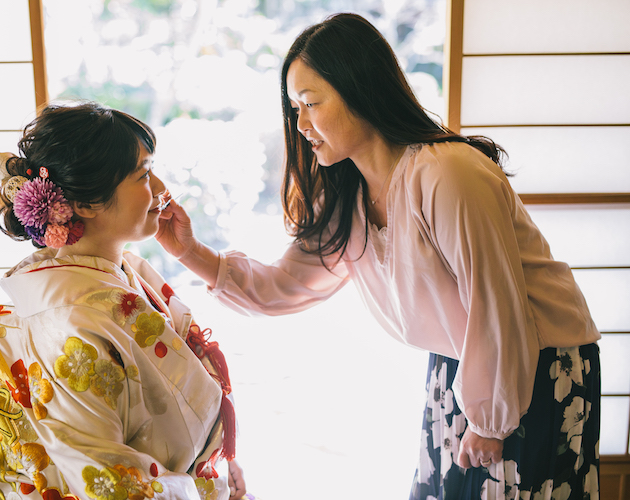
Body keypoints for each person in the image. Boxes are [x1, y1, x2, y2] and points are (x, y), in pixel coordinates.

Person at [154, 13, 601, 500]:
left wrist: (490, 419)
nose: (300, 124)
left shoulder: (447, 175)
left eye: (310, 103)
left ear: (360, 90)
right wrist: (189, 251)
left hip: (535, 361)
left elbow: (495, 303)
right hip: (462, 363)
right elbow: (285, 285)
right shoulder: (348, 193)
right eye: (294, 107)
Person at [0, 101, 250, 500]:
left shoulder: (126, 268)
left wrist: (218, 466)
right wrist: (205, 486)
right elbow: (108, 483)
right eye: (144, 174)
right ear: (86, 203)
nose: (161, 189)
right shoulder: (65, 323)